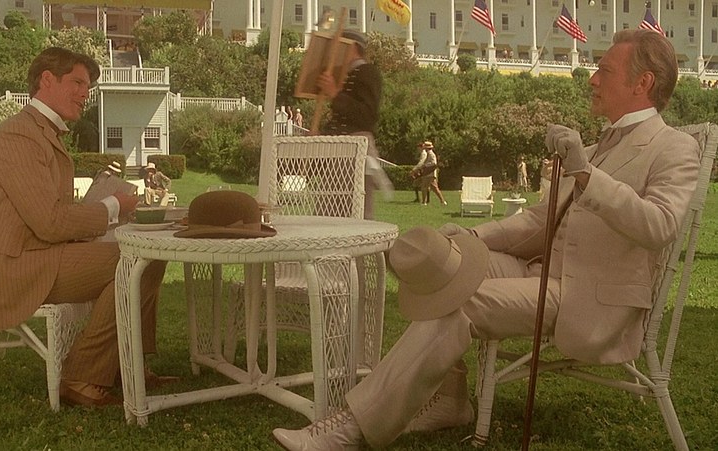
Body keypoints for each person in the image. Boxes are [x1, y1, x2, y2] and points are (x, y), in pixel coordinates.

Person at [272, 28, 700, 450]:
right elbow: (539, 221)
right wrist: (471, 235)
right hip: (542, 273)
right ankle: (450, 400)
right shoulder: (597, 146)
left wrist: (586, 173)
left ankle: (351, 427)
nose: (592, 79)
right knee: (448, 266)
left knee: (463, 302)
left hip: (591, 296)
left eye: (604, 70)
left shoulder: (673, 147)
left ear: (642, 83)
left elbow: (660, 226)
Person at [0, 47, 172, 408]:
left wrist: (106, 209)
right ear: (47, 80)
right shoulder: (19, 136)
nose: (85, 93)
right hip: (8, 269)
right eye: (77, 82)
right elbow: (50, 222)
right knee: (139, 259)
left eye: (87, 86)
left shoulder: (42, 133)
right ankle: (83, 376)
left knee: (146, 256)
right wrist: (111, 206)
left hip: (36, 255)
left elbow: (48, 216)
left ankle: (125, 363)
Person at [316, 29, 393, 219]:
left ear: (351, 48)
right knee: (328, 212)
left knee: (355, 212)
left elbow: (367, 116)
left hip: (354, 150)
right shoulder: (344, 74)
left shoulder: (367, 72)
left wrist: (335, 94)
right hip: (338, 152)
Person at [410, 141, 448, 206]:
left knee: (424, 187)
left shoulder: (430, 154)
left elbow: (434, 163)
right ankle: (443, 201)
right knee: (435, 188)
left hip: (429, 174)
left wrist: (425, 165)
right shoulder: (429, 153)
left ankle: (424, 202)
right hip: (431, 174)